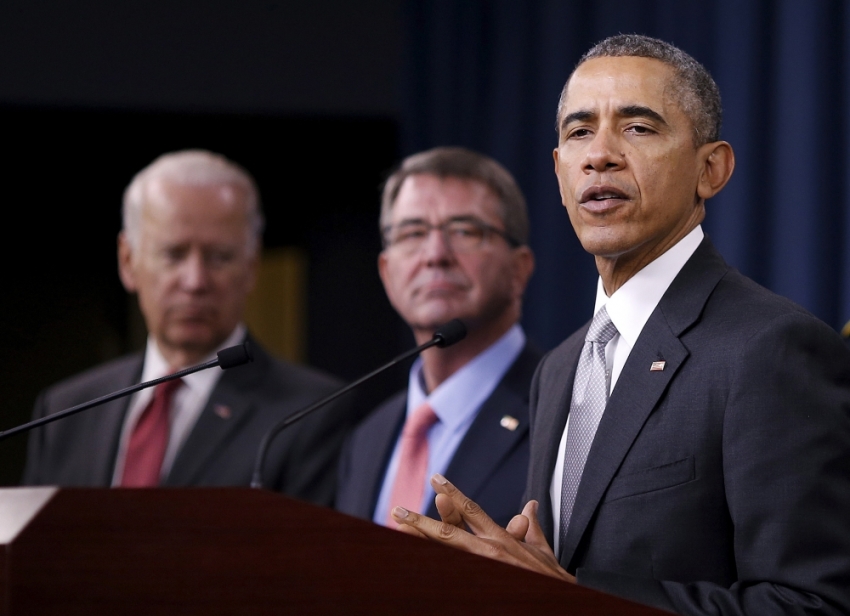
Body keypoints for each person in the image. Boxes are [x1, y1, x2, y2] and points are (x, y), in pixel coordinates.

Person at [390, 36, 850, 614]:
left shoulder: (770, 349)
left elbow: (813, 603)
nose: (599, 154)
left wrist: (573, 596)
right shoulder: (558, 369)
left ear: (712, 169)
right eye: (579, 132)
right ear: (559, 172)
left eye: (638, 128)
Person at [23, 150, 351, 505]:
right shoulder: (65, 411)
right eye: (173, 254)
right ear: (128, 260)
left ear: (252, 265)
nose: (195, 281)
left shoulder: (311, 413)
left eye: (219, 257)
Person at [336, 147, 539, 528]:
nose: (435, 254)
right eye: (412, 233)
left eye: (464, 230)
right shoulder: (367, 438)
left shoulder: (561, 412)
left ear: (519, 270)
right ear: (386, 271)